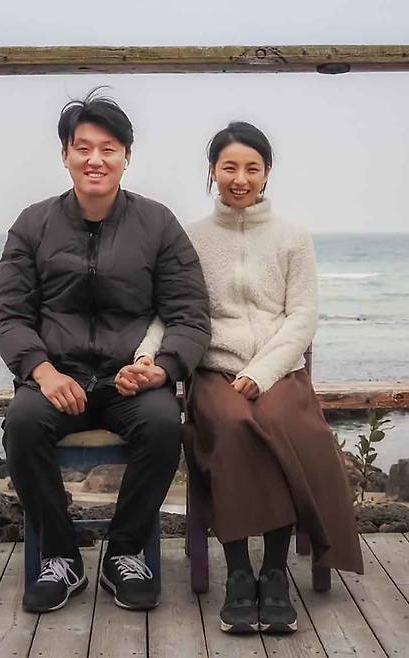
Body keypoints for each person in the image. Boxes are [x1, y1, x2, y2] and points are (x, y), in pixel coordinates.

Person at [117, 121, 363, 634]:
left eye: (252, 168)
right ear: (213, 170)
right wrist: (146, 355)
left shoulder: (293, 237)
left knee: (287, 426)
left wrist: (263, 372)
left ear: (267, 172)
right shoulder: (191, 238)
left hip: (280, 373)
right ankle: (237, 572)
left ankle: (273, 573)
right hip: (214, 372)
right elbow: (172, 310)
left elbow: (302, 317)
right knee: (232, 427)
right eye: (229, 167)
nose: (240, 178)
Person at [0, 89, 210, 614]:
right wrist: (42, 371)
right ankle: (61, 556)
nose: (96, 160)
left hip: (129, 381)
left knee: (164, 426)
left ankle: (125, 552)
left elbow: (190, 312)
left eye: (108, 149)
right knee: (22, 425)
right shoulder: (33, 224)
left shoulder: (157, 224)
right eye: (83, 148)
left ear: (126, 157)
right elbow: (9, 315)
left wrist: (162, 370)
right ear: (65, 154)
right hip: (56, 379)